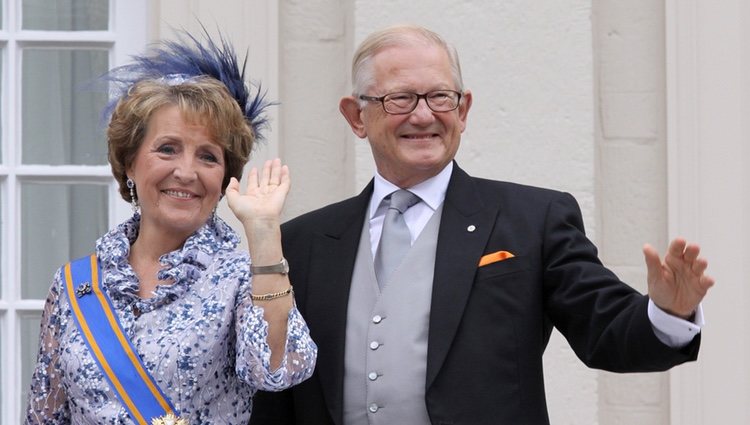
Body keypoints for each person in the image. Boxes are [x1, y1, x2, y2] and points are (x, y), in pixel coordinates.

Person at [249, 24, 714, 425]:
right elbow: (276, 392)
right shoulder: (305, 242)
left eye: (440, 97)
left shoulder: (533, 219)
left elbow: (606, 331)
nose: (424, 115)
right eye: (401, 99)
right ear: (356, 117)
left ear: (463, 109)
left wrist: (667, 314)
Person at [25, 30, 316, 424]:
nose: (186, 172)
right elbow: (45, 417)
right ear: (129, 162)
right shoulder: (76, 284)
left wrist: (264, 232)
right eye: (167, 149)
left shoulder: (240, 280)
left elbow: (277, 370)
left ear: (225, 178)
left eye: (208, 157)